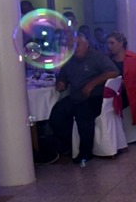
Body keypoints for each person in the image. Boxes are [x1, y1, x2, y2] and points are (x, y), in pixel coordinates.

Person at [49, 35, 119, 163]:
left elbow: (114, 72)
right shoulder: (69, 60)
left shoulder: (97, 57)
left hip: (95, 97)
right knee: (56, 114)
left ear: (87, 44)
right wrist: (61, 83)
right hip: (75, 96)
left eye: (78, 44)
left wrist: (92, 84)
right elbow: (63, 77)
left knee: (83, 114)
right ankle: (68, 144)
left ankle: (85, 152)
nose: (75, 48)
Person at [106, 31, 136, 126]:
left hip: (129, 95)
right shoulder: (107, 60)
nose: (109, 46)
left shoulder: (133, 58)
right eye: (108, 43)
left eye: (112, 43)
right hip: (112, 96)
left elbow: (135, 81)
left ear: (121, 43)